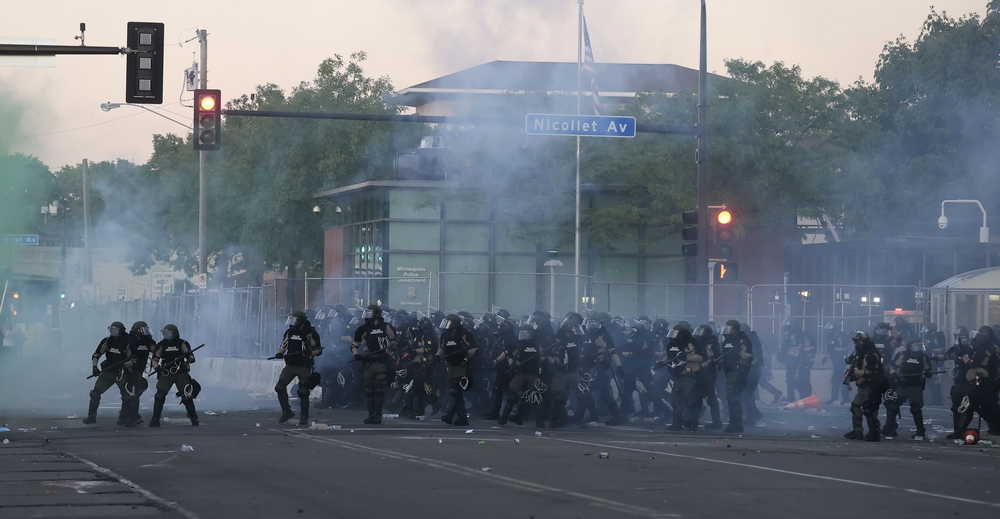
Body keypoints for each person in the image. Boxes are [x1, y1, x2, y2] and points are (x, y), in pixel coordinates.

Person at [573, 314, 625, 426]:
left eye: (594, 323)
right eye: (590, 323)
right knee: (602, 392)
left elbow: (613, 351)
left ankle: (579, 418)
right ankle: (615, 416)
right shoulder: (584, 334)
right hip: (586, 366)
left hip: (598, 366)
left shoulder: (604, 335)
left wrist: (619, 366)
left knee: (586, 390)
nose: (592, 325)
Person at [274, 311, 323, 425]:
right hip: (291, 365)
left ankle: (304, 417)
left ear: (301, 321)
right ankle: (287, 411)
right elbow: (284, 345)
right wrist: (280, 353)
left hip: (304, 365)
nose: (293, 322)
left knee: (303, 391)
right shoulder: (289, 332)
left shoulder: (311, 333)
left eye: (295, 320)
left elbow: (319, 350)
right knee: (279, 387)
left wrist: (309, 353)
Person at [351, 304, 396, 424]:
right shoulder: (363, 329)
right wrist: (356, 354)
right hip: (369, 362)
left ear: (376, 314)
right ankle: (371, 415)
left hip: (382, 360)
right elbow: (355, 344)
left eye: (369, 313)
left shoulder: (386, 327)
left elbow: (393, 342)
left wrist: (391, 349)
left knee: (379, 389)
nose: (367, 316)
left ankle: (378, 415)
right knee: (369, 390)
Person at [82, 322, 134, 425]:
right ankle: (91, 416)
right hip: (109, 371)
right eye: (111, 330)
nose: (113, 333)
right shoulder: (107, 341)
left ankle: (124, 417)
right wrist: (94, 367)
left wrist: (123, 365)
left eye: (115, 331)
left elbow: (133, 360)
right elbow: (96, 355)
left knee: (126, 395)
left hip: (121, 372)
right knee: (95, 393)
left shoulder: (128, 342)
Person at [149, 324, 200, 427]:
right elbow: (155, 359)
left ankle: (194, 418)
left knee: (186, 396)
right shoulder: (161, 344)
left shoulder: (182, 343)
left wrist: (187, 356)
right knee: (159, 396)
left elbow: (192, 359)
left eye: (169, 333)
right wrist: (156, 367)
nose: (166, 335)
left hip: (180, 372)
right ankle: (155, 419)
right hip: (166, 373)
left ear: (175, 334)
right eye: (165, 333)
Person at [881, 338, 931, 440]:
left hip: (916, 387)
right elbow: (893, 366)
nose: (918, 348)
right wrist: (893, 373)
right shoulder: (903, 355)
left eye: (920, 346)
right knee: (893, 406)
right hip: (902, 385)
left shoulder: (923, 357)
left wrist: (928, 372)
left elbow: (928, 369)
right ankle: (888, 428)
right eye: (916, 346)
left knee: (916, 409)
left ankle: (920, 431)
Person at [435, 314, 478, 426]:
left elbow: (474, 348)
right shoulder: (445, 334)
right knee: (455, 390)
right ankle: (462, 417)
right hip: (450, 364)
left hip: (462, 363)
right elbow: (442, 347)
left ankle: (449, 415)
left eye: (449, 322)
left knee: (456, 389)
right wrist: (437, 356)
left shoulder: (464, 334)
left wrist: (466, 354)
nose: (447, 324)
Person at [658, 323, 701, 431]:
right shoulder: (672, 343)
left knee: (690, 400)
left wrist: (686, 357)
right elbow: (669, 355)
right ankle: (676, 423)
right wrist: (662, 362)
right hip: (677, 375)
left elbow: (700, 357)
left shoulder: (690, 343)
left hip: (688, 373)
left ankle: (693, 422)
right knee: (676, 400)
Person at [843, 331, 886, 441]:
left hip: (872, 385)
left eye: (860, 341)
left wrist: (855, 371)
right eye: (857, 342)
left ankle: (874, 433)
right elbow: (849, 360)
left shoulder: (871, 354)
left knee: (869, 409)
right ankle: (858, 432)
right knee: (856, 406)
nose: (858, 343)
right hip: (863, 385)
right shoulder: (860, 351)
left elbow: (869, 372)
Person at [499, 324, 543, 426]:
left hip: (532, 373)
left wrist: (541, 360)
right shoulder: (519, 344)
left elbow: (543, 356)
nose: (525, 335)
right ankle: (503, 418)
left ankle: (539, 421)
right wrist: (513, 363)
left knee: (535, 397)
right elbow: (512, 356)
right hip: (520, 372)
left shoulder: (537, 344)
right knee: (512, 396)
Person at [719, 320, 753, 434]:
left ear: (735, 329)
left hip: (738, 372)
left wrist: (739, 352)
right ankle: (733, 424)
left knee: (732, 396)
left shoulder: (743, 340)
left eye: (730, 328)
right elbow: (724, 356)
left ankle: (737, 424)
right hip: (729, 372)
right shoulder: (726, 342)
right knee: (730, 398)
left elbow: (749, 357)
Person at [121, 321, 155, 426]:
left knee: (136, 391)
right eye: (143, 329)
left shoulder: (148, 341)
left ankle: (123, 416)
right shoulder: (129, 340)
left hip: (139, 370)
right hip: (129, 370)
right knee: (132, 393)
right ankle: (131, 417)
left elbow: (158, 351)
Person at [692, 323, 723, 430]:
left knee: (710, 398)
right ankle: (694, 420)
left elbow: (717, 358)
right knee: (697, 397)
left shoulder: (712, 342)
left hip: (709, 373)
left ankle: (716, 421)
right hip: (699, 372)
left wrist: (709, 362)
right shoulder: (699, 341)